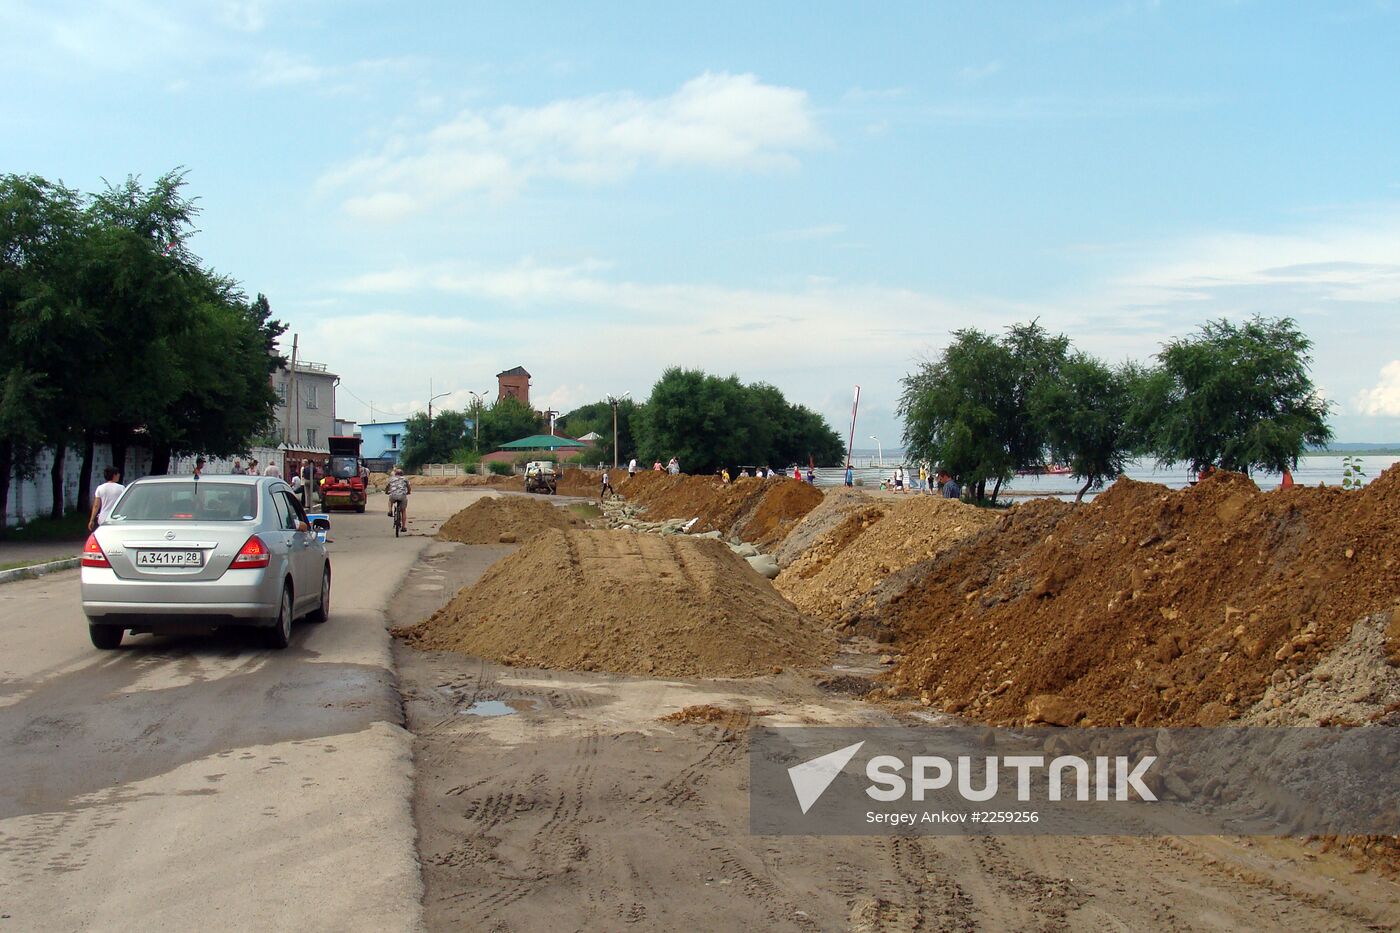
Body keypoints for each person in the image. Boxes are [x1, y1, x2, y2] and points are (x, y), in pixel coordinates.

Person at [88, 466, 125, 531]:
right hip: (117, 517)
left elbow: (96, 506)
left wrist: (92, 520)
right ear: (114, 475)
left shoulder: (100, 488)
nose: (119, 475)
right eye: (117, 473)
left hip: (103, 517)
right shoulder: (121, 488)